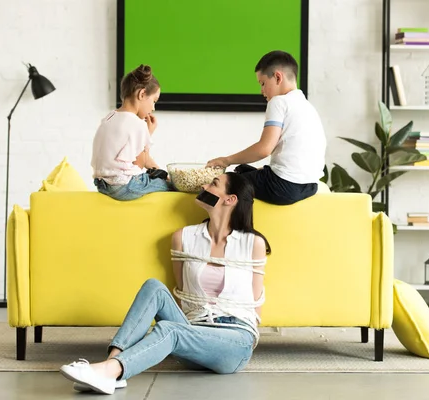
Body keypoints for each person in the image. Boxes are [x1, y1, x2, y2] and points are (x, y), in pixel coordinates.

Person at [59, 172, 270, 395]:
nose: (203, 185)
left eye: (214, 184)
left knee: (169, 330)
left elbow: (255, 303)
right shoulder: (184, 238)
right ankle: (110, 369)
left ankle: (109, 371)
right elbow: (181, 296)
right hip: (192, 336)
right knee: (153, 287)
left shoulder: (252, 243)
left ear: (230, 199)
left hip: (234, 342)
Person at [207, 50, 326, 206]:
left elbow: (264, 149)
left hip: (284, 186)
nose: (261, 90)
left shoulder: (278, 102)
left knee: (223, 181)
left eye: (262, 83)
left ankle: (215, 228)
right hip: (309, 185)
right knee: (243, 170)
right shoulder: (307, 106)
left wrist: (226, 160)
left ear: (277, 77)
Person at [91, 64, 171, 201]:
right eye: (154, 101)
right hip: (123, 187)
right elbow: (139, 165)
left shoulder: (109, 118)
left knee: (159, 177)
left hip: (102, 185)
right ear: (142, 94)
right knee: (170, 186)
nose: (153, 108)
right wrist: (147, 134)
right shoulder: (137, 124)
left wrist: (160, 171)